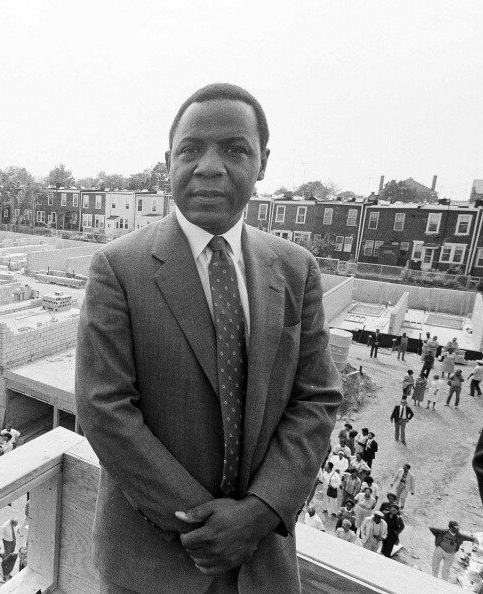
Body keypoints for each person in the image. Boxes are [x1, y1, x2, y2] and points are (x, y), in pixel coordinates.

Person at [75, 83, 342, 593]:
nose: (210, 166)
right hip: (153, 565)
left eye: (235, 149)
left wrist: (260, 512)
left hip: (262, 563)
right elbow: (103, 409)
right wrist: (205, 526)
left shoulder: (295, 270)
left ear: (262, 163)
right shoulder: (118, 268)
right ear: (168, 161)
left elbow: (317, 399)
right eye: (191, 149)